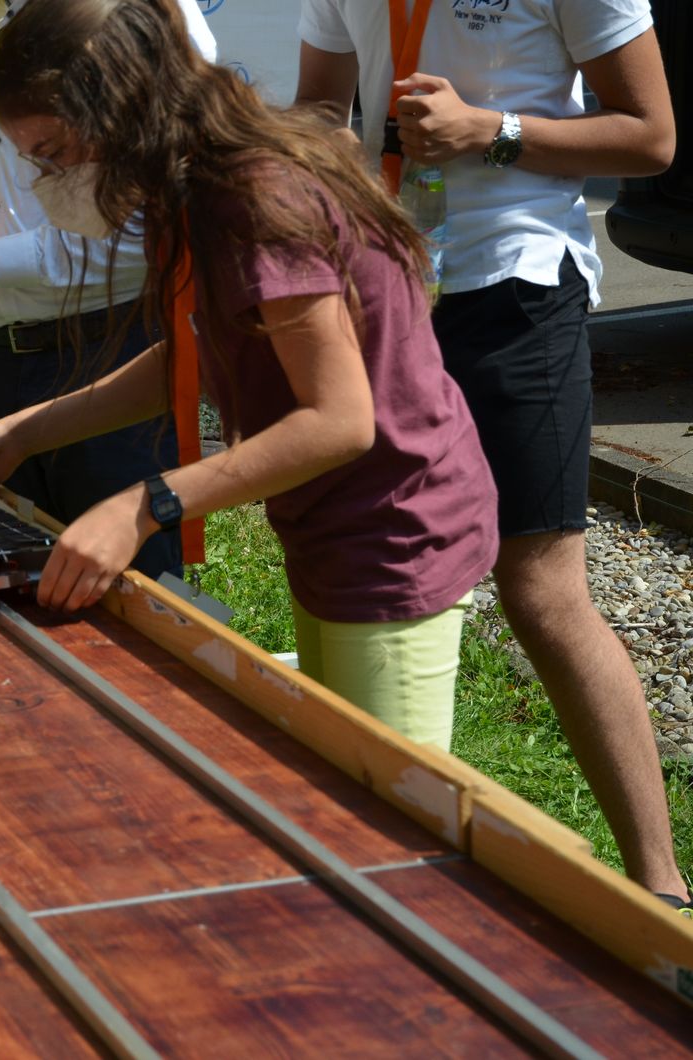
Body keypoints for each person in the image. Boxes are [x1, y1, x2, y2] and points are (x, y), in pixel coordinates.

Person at [0, 0, 500, 751]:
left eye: (54, 151)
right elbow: (197, 353)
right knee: (332, 769)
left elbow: (339, 422)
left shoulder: (255, 197)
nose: (47, 178)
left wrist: (143, 506)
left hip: (394, 530)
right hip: (331, 521)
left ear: (120, 112)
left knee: (389, 803)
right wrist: (21, 434)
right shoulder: (193, 184)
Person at [296, 0, 688, 908]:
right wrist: (318, 150)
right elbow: (318, 107)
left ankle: (662, 892)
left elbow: (652, 138)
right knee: (370, 563)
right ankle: (377, 870)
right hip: (383, 292)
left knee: (540, 588)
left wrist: (492, 131)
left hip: (515, 289)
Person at [0, 0, 219, 578]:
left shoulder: (148, 16)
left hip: (108, 353)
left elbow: (157, 219)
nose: (42, 181)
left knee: (131, 596)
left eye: (51, 155)